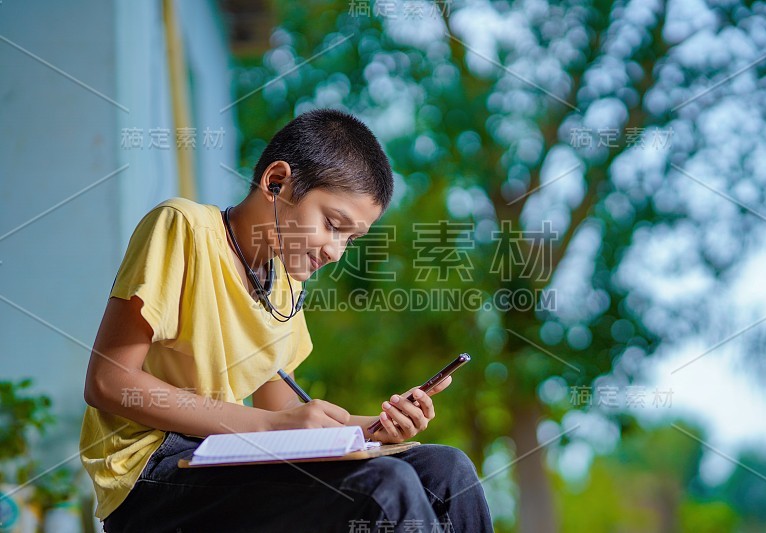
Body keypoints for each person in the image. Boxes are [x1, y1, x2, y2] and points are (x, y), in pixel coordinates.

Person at [80, 109, 493, 532]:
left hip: (228, 459)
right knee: (381, 487)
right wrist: (272, 425)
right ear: (276, 182)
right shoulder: (183, 228)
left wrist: (374, 428)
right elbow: (109, 382)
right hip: (153, 473)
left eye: (350, 239)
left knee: (447, 471)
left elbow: (285, 412)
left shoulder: (283, 285)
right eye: (333, 225)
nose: (336, 251)